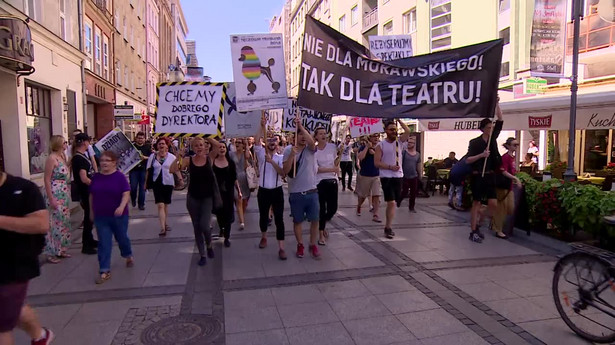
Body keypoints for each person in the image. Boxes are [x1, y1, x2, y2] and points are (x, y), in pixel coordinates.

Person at [0, 167, 55, 345]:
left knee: (2, 326)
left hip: (13, 267)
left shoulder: (24, 189)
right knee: (15, 310)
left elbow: (41, 224)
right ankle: (40, 335)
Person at [89, 151, 134, 284]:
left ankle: (127, 254)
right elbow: (91, 195)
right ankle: (104, 270)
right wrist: (91, 212)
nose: (104, 163)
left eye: (107, 160)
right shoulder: (96, 177)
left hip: (119, 216)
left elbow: (126, 193)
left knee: (122, 238)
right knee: (104, 242)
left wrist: (121, 206)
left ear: (114, 163)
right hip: (101, 216)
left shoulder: (119, 177)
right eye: (102, 160)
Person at [466, 100, 504, 243]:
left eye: (491, 126)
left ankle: (480, 220)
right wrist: (481, 155)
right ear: (483, 129)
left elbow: (500, 119)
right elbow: (468, 160)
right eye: (488, 127)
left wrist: (496, 104)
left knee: (493, 204)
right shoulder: (475, 142)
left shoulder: (493, 139)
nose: (491, 129)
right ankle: (473, 230)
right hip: (478, 176)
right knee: (476, 203)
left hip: (490, 175)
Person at [283, 118, 320, 258]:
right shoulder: (288, 150)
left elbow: (312, 142)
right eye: (301, 135)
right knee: (297, 220)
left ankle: (313, 243)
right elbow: (285, 171)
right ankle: (300, 244)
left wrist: (301, 126)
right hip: (296, 192)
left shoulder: (310, 149)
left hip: (312, 190)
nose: (304, 137)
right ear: (295, 136)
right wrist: (292, 154)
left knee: (315, 219)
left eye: (306, 134)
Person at [254, 118, 287, 259]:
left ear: (278, 142)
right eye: (269, 140)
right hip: (263, 190)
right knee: (263, 216)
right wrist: (261, 126)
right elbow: (256, 141)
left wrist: (271, 161)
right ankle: (264, 236)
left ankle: (281, 247)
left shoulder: (280, 157)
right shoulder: (261, 153)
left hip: (277, 190)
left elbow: (283, 173)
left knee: (279, 218)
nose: (272, 142)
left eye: (274, 140)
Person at [181, 138, 217, 266]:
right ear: (192, 148)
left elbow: (217, 146)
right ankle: (202, 254)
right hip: (193, 198)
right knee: (196, 227)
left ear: (205, 146)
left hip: (207, 198)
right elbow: (173, 169)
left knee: (205, 225)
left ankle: (209, 244)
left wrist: (206, 135)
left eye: (201, 145)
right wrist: (178, 156)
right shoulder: (188, 160)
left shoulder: (209, 158)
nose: (199, 147)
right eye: (196, 146)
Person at [374, 120, 411, 239]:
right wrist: (390, 167)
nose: (394, 132)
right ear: (386, 131)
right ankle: (388, 227)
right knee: (391, 202)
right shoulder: (381, 145)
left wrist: (399, 119)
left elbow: (408, 131)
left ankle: (388, 226)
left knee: (395, 202)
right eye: (391, 129)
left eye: (395, 129)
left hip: (398, 176)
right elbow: (377, 163)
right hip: (387, 176)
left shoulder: (399, 142)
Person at [146, 137, 184, 237]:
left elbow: (176, 169)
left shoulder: (171, 157)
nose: (161, 145)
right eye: (160, 144)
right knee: (160, 205)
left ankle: (165, 222)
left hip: (168, 183)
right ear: (157, 145)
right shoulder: (152, 156)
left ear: (167, 146)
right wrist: (145, 184)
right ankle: (163, 228)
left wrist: (180, 179)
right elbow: (148, 170)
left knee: (166, 204)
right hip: (156, 183)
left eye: (163, 144)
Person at [43, 135, 71, 264]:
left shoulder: (62, 157)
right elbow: (47, 179)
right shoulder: (51, 158)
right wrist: (51, 198)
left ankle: (61, 249)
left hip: (63, 192)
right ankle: (51, 252)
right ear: (59, 144)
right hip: (55, 191)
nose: (66, 144)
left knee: (63, 221)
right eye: (64, 142)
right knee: (54, 222)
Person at [71, 133, 98, 254]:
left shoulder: (81, 156)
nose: (90, 144)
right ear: (84, 142)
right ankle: (86, 245)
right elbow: (83, 178)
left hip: (87, 191)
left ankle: (89, 239)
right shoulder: (79, 158)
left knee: (90, 216)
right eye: (89, 141)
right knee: (89, 217)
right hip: (85, 191)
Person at [492, 138, 523, 239]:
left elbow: (510, 171)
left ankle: (492, 217)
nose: (516, 147)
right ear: (509, 146)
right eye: (514, 145)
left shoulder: (512, 158)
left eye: (517, 145)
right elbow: (503, 171)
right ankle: (498, 230)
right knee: (502, 208)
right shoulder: (505, 157)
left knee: (510, 208)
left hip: (508, 186)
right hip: (502, 185)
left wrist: (514, 177)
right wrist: (515, 178)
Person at [212, 140, 240, 247]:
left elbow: (234, 178)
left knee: (228, 215)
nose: (222, 149)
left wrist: (239, 191)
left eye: (223, 147)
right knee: (219, 214)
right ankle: (221, 228)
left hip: (228, 193)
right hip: (217, 193)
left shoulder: (231, 163)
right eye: (220, 147)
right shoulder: (213, 162)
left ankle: (227, 237)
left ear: (226, 149)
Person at [314, 127, 339, 246]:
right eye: (320, 133)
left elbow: (335, 162)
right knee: (322, 209)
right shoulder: (313, 150)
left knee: (333, 208)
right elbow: (316, 169)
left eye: (324, 133)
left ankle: (323, 222)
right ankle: (320, 234)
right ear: (316, 136)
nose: (323, 135)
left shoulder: (332, 147)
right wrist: (331, 169)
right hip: (320, 182)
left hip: (332, 180)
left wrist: (336, 165)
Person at [356, 133, 382, 221]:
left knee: (376, 194)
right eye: (374, 136)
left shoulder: (379, 147)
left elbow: (382, 159)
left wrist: (374, 153)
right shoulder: (363, 147)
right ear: (369, 138)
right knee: (363, 196)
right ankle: (359, 205)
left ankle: (376, 214)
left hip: (376, 175)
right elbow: (360, 157)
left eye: (377, 136)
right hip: (365, 175)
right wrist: (367, 148)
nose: (376, 138)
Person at [231, 138, 253, 230]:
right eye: (236, 142)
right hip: (234, 179)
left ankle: (241, 214)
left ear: (243, 145)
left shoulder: (246, 154)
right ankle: (242, 222)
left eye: (239, 142)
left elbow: (249, 158)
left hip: (245, 179)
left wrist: (247, 145)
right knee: (238, 199)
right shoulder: (231, 154)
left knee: (244, 199)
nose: (237, 144)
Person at [129, 132, 152, 211]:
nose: (140, 140)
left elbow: (151, 158)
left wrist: (145, 158)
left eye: (142, 138)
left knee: (143, 188)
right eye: (139, 138)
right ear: (136, 138)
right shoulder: (132, 147)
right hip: (133, 170)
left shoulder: (147, 147)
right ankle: (133, 199)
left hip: (143, 170)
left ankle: (141, 204)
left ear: (144, 139)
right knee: (133, 187)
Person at [397, 136, 421, 212]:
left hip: (414, 175)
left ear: (414, 144)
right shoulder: (404, 152)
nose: (409, 144)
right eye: (408, 142)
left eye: (411, 143)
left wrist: (419, 174)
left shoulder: (417, 154)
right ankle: (398, 201)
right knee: (405, 191)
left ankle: (411, 207)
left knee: (413, 193)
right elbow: (400, 163)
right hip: (405, 176)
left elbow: (418, 165)